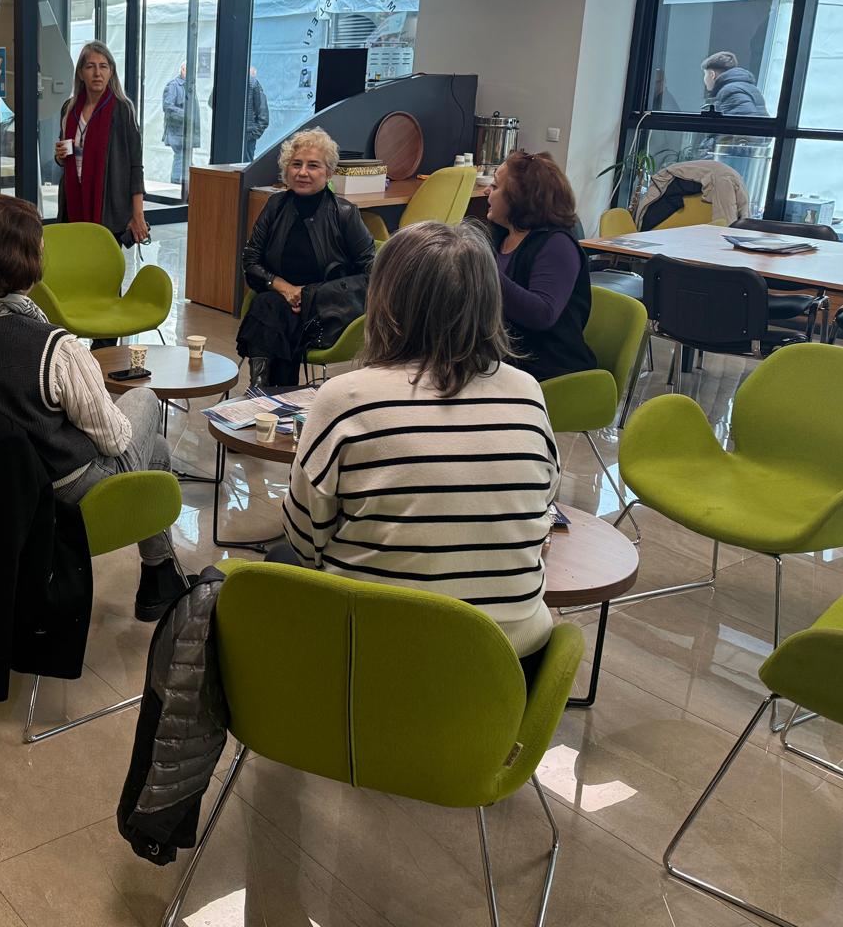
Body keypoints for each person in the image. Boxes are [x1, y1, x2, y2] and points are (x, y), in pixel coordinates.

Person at [284, 221, 560, 677]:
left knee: (277, 563)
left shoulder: (347, 397)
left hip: (376, 657)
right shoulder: (528, 392)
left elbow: (303, 537)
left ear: (385, 300)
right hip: (506, 666)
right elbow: (544, 503)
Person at [0, 193, 189, 622]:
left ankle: (162, 573)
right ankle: (160, 574)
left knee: (152, 448)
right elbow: (114, 441)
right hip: (56, 491)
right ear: (24, 263)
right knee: (145, 407)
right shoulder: (53, 349)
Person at [237, 128, 374, 387]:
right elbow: (251, 260)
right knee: (271, 307)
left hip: (327, 311)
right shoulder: (275, 206)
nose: (302, 172)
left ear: (329, 173)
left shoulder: (345, 214)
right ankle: (272, 393)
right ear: (286, 170)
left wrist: (310, 294)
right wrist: (284, 288)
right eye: (296, 164)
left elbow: (373, 273)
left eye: (313, 165)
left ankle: (261, 391)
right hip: (279, 301)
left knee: (268, 311)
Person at [485, 150, 598, 383]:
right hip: (507, 363)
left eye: (495, 186)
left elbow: (542, 314)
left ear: (517, 198)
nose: (487, 191)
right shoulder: (499, 236)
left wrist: (483, 270)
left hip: (550, 372)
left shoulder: (557, 245)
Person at [54, 41, 148, 247]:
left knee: (104, 264)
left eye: (103, 66)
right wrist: (59, 157)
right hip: (74, 202)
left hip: (109, 206)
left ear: (111, 71)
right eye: (90, 66)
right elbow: (65, 158)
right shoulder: (69, 109)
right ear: (81, 73)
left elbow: (135, 165)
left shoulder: (123, 110)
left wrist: (138, 214)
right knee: (76, 261)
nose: (97, 73)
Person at [701, 50, 768, 116]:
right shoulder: (748, 87)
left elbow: (743, 120)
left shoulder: (729, 91)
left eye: (705, 74)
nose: (704, 79)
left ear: (712, 75)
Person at [162, 63, 187, 184]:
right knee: (180, 157)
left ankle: (181, 184)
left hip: (184, 131)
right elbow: (168, 107)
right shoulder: (173, 85)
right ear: (183, 69)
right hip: (176, 131)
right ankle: (176, 184)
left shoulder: (188, 86)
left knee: (184, 158)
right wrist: (186, 115)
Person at [241, 67, 270, 162]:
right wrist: (253, 135)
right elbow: (263, 115)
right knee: (244, 167)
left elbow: (212, 102)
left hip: (241, 135)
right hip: (247, 135)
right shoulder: (253, 83)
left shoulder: (224, 80)